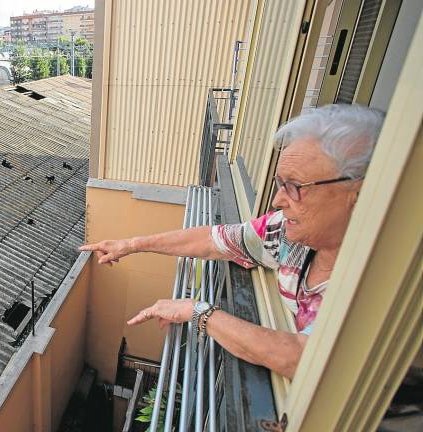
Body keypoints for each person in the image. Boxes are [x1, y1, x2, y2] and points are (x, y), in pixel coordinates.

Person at [79, 104, 384, 379]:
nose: (277, 201)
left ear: (356, 195)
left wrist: (199, 313)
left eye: (295, 187)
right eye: (280, 184)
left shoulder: (377, 280)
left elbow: (306, 359)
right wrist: (130, 245)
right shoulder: (290, 235)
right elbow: (213, 240)